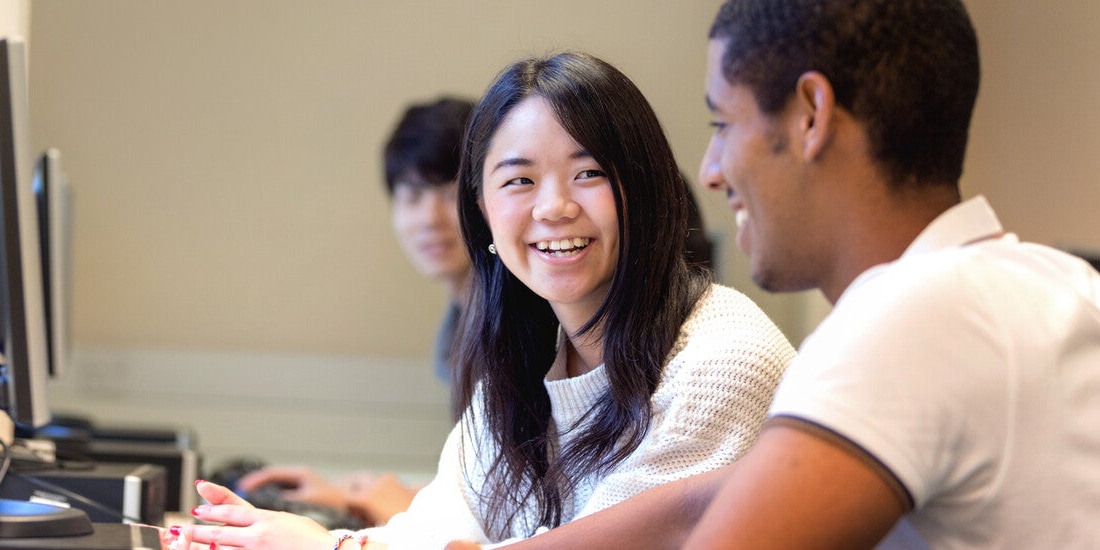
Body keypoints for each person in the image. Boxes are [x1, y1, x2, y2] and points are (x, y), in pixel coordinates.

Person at [479, 1, 1100, 548]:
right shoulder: (1059, 283)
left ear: (811, 116)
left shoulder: (908, 321)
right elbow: (705, 502)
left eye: (723, 124)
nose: (711, 170)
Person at [167, 52, 796, 549]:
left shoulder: (720, 361)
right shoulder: (517, 370)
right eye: (519, 180)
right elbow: (433, 531)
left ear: (648, 188)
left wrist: (332, 546)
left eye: (589, 173)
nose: (553, 207)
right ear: (484, 213)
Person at [231, 98, 476, 528]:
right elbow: (485, 485)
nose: (430, 218)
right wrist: (352, 494)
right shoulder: (458, 324)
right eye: (412, 194)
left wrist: (398, 508)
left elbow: (524, 504)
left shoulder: (525, 323)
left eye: (450, 194)